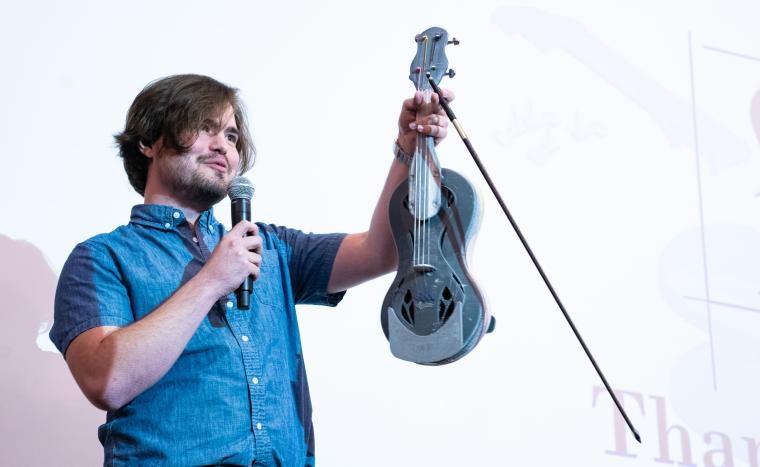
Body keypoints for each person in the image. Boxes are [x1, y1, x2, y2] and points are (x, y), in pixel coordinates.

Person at [50, 74, 451, 466]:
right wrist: (211, 281)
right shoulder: (102, 258)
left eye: (230, 136)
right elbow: (107, 381)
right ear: (148, 141)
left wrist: (408, 149)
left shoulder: (271, 248)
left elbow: (381, 251)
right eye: (204, 128)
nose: (222, 146)